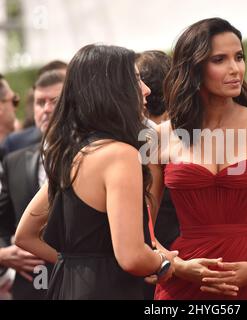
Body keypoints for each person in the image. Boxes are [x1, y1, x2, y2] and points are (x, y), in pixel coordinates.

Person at [150, 17, 247, 300]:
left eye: (239, 57)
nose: (235, 69)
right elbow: (141, 225)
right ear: (194, 68)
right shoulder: (160, 136)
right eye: (220, 59)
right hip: (185, 282)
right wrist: (176, 265)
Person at [14, 44, 177, 299]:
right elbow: (132, 256)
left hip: (66, 286)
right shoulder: (120, 154)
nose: (146, 90)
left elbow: (25, 234)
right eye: (135, 80)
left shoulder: (71, 152)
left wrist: (76, 262)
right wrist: (164, 264)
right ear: (112, 88)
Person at [0, 70, 65, 300]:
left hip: (82, 282)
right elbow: (3, 222)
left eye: (54, 101)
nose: (45, 109)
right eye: (39, 102)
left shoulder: (91, 157)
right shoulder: (14, 161)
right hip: (30, 284)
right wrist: (6, 253)